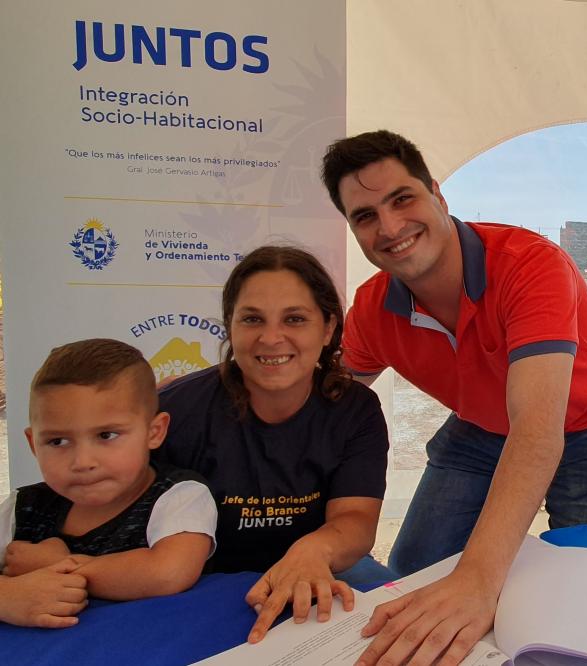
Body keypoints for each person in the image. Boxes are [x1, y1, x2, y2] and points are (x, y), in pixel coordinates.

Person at [321, 130, 587, 666]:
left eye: (402, 199)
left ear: (438, 197)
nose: (391, 227)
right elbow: (323, 400)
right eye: (365, 216)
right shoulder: (373, 308)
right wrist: (203, 392)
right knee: (410, 582)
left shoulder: (529, 264)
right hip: (478, 427)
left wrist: (478, 578)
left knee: (584, 601)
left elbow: (538, 430)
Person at [155, 245, 390, 643]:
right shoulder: (174, 410)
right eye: (252, 319)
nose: (271, 337)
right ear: (230, 326)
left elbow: (356, 521)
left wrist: (313, 550)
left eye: (295, 319)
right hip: (205, 580)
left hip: (325, 567)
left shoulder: (356, 410)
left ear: (329, 328)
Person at [0, 339, 217, 628]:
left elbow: (168, 572)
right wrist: (7, 596)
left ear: (154, 431)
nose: (82, 461)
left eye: (106, 436)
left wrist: (56, 565)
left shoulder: (179, 496)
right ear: (33, 443)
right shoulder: (22, 507)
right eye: (58, 441)